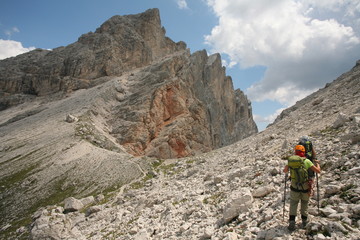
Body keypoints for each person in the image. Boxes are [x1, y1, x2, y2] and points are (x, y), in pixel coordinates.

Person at [283, 145, 321, 231]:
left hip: (294, 185)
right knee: (304, 202)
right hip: (305, 186)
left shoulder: (291, 161)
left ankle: (292, 222)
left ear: (295, 152)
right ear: (304, 152)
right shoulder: (307, 161)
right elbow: (318, 171)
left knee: (293, 203)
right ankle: (304, 222)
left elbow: (285, 171)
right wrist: (317, 163)